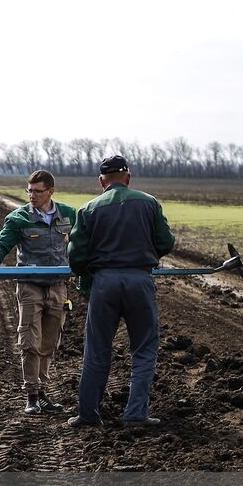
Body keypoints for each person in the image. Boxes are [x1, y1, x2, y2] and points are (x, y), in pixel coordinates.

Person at [66, 155, 176, 429]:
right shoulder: (149, 203)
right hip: (139, 280)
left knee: (97, 350)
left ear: (101, 181)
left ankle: (88, 414)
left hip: (104, 284)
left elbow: (76, 254)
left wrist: (86, 271)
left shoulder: (89, 209)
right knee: (144, 349)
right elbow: (165, 242)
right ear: (128, 177)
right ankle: (136, 414)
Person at [0, 169, 77, 416]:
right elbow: (2, 245)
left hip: (58, 286)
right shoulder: (18, 218)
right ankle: (31, 396)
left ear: (50, 191)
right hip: (30, 285)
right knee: (30, 342)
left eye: (37, 191)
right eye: (29, 191)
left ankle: (43, 393)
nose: (32, 195)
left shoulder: (69, 214)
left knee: (49, 343)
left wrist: (80, 265)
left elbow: (81, 242)